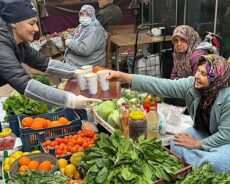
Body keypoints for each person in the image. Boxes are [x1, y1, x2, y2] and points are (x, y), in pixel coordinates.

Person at [107, 54, 230, 173]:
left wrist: (198, 144)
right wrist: (124, 77)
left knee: (217, 162)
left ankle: (202, 162)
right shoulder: (192, 85)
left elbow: (226, 134)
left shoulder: (227, 97)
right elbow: (162, 85)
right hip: (205, 132)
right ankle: (202, 163)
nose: (197, 76)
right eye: (198, 70)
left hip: (226, 139)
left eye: (204, 74)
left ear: (216, 77)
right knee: (175, 143)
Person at [0, 0, 100, 109]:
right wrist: (70, 100)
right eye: (32, 23)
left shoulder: (20, 44)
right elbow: (23, 83)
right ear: (13, 23)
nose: (37, 28)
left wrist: (77, 72)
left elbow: (44, 63)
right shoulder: (2, 45)